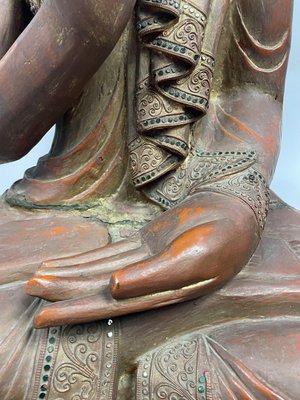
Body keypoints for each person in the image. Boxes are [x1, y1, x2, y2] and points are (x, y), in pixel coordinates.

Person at [0, 1, 299, 399]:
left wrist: (230, 201)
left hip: (215, 216)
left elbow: (255, 91)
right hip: (55, 217)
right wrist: (86, 19)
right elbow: (7, 131)